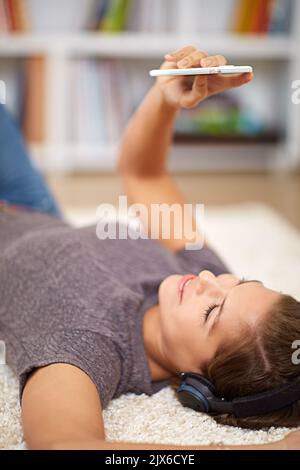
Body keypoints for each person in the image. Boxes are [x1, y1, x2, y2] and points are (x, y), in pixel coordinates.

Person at [0, 46, 300, 450]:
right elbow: (145, 174)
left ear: (198, 383)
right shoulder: (195, 275)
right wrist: (164, 97)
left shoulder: (87, 343)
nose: (208, 280)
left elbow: (63, 444)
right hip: (32, 207)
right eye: (236, 283)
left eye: (213, 311)